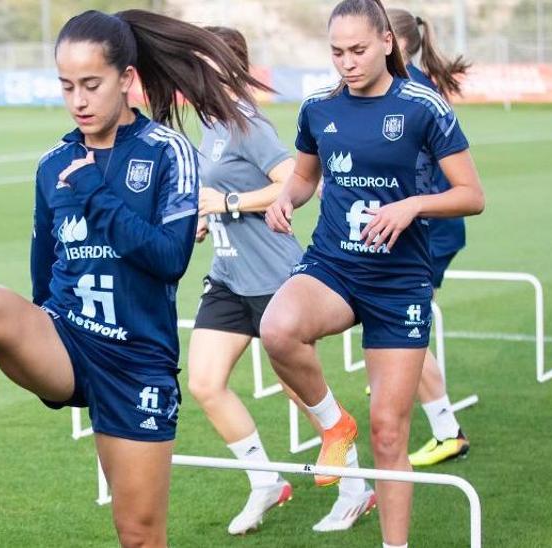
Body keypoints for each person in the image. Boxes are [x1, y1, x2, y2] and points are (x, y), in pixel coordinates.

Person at [0, 9, 260, 546]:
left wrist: (96, 198)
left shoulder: (167, 152)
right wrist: (40, 331)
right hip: (67, 340)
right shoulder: (52, 162)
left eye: (91, 84)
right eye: (65, 86)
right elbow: (42, 266)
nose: (78, 100)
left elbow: (171, 258)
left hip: (136, 363)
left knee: (139, 535)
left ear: (126, 81)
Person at [260, 0, 485, 546]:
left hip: (399, 281)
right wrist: (284, 198)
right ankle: (335, 425)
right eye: (337, 52)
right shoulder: (317, 108)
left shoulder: (422, 106)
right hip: (334, 264)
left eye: (357, 50)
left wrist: (412, 206)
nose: (346, 62)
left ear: (387, 42)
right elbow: (305, 179)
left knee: (390, 433)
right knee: (276, 329)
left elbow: (472, 196)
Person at [189, 25, 377, 536]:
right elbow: (219, 192)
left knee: (299, 389)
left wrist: (226, 202)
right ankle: (265, 481)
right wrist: (207, 217)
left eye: (195, 63)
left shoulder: (247, 122)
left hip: (273, 275)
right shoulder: (210, 126)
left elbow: (290, 181)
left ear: (220, 67)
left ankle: (357, 487)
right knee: (204, 382)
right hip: (228, 277)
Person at [388, 7, 474, 467]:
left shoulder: (415, 95)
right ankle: (407, 377)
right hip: (425, 229)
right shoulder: (409, 86)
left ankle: (447, 431)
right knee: (400, 329)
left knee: (405, 330)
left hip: (430, 230)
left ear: (395, 44)